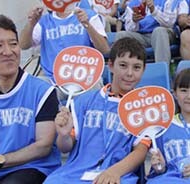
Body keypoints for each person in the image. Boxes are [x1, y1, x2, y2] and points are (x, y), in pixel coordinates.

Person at [44, 37, 150, 184]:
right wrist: (63, 135)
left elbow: (140, 151)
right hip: (75, 172)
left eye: (136, 67)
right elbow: (65, 148)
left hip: (118, 174)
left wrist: (114, 172)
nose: (130, 73)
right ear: (111, 66)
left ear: (144, 70)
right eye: (123, 65)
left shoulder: (143, 107)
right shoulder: (84, 101)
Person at [0, 14, 61, 183]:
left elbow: (43, 146)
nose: (7, 52)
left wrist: (0, 161)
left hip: (31, 167)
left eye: (13, 44)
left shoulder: (42, 91)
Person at [19, 3, 109, 88]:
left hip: (85, 77)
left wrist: (87, 24)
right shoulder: (43, 21)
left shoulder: (89, 15)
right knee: (34, 87)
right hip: (52, 80)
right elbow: (23, 45)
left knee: (95, 85)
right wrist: (31, 23)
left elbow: (104, 49)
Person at [115, 0, 188, 64]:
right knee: (121, 35)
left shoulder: (169, 1)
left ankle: (161, 72)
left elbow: (169, 23)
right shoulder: (133, 3)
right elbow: (128, 28)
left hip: (165, 34)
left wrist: (154, 11)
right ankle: (123, 73)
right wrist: (135, 21)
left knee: (158, 31)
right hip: (143, 36)